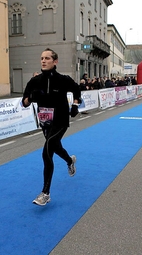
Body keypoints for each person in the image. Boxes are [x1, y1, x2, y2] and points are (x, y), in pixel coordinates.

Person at [22, 48, 81, 206]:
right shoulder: (35, 81)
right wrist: (31, 98)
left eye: (47, 58)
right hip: (45, 122)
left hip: (61, 120)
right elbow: (24, 102)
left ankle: (45, 193)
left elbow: (77, 90)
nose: (43, 61)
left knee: (47, 150)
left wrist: (75, 105)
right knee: (55, 147)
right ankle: (70, 161)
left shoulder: (63, 79)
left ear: (55, 61)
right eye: (42, 58)